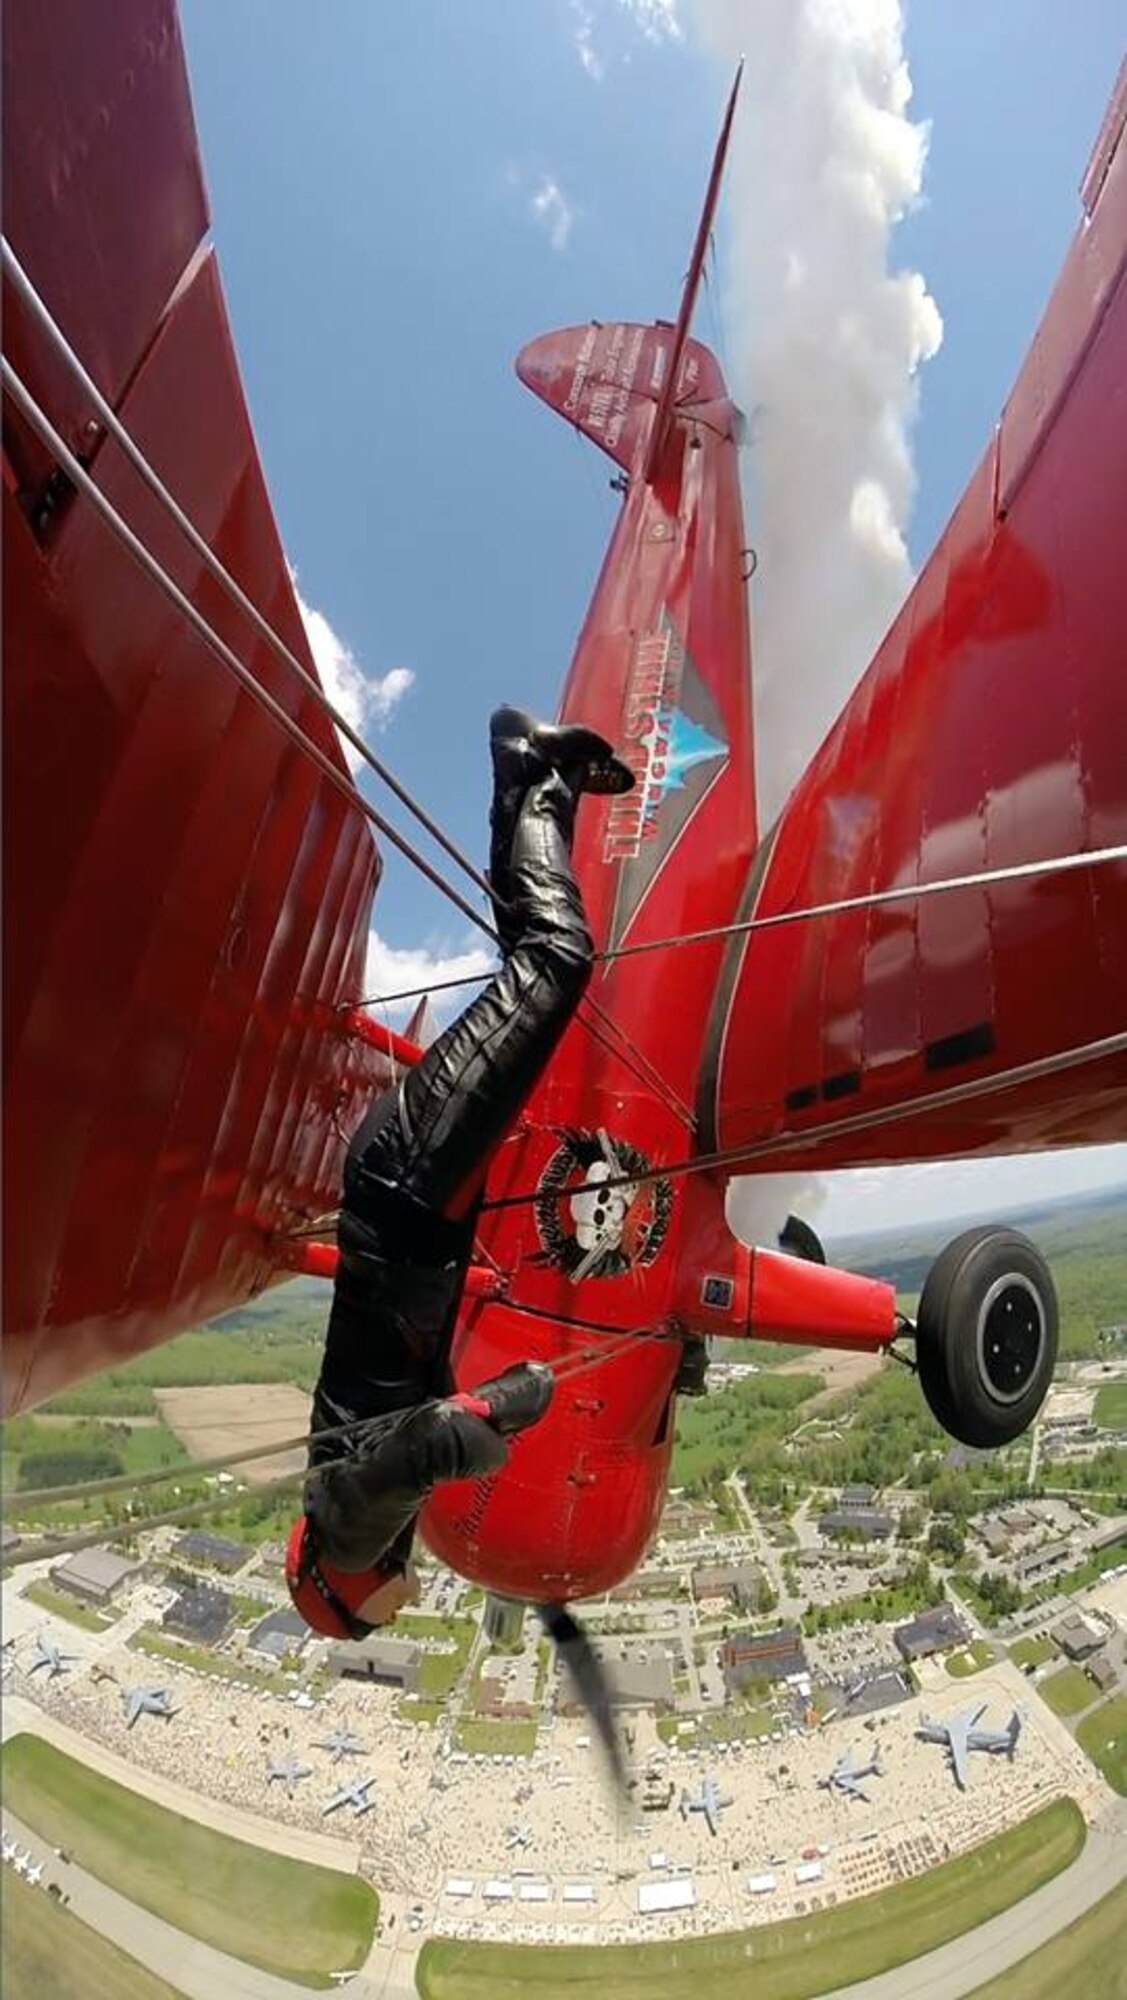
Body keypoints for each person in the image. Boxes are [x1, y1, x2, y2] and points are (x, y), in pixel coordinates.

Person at [286, 706, 633, 1640]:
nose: (400, 1607)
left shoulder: (350, 1529)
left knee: (553, 963)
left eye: (379, 1617)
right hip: (408, 1198)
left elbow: (440, 1440)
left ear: (341, 1595)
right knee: (535, 976)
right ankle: (536, 790)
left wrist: (518, 1400)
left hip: (407, 1191)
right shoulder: (347, 1512)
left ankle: (530, 773)